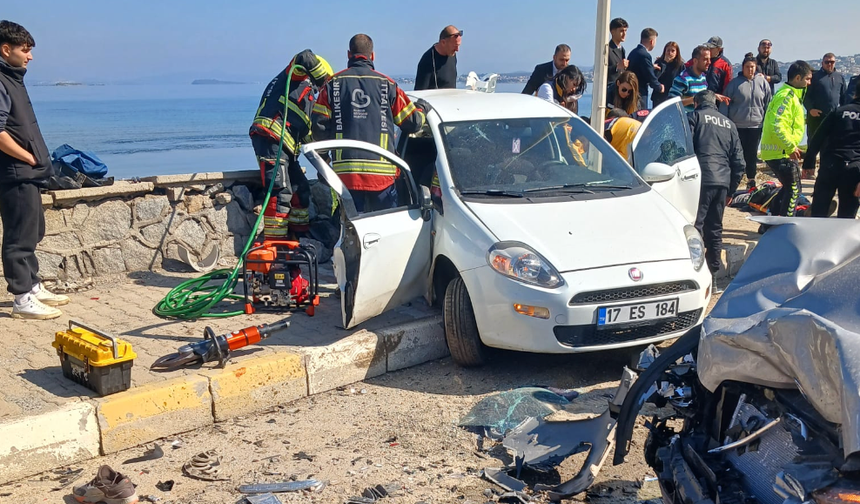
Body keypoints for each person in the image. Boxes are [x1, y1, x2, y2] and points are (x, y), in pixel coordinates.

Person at [0, 21, 70, 320]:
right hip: (15, 173)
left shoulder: (12, 78)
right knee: (19, 237)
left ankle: (33, 286)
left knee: (33, 230)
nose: (30, 57)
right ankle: (22, 298)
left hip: (27, 173)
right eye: (25, 51)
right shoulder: (1, 80)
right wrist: (28, 157)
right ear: (6, 49)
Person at [312, 34, 425, 213]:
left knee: (352, 232)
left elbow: (319, 127)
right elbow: (412, 123)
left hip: (346, 176)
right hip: (382, 178)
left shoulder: (331, 84)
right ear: (372, 56)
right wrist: (421, 110)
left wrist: (323, 159)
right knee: (386, 229)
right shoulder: (387, 84)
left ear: (349, 54)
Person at [250, 50, 332, 240]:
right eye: (321, 86)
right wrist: (324, 82)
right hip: (270, 137)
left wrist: (324, 163)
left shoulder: (308, 98)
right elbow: (304, 56)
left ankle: (298, 240)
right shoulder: (295, 77)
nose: (322, 93)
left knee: (301, 190)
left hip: (286, 147)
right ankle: (275, 245)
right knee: (280, 192)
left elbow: (309, 137)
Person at [688, 90, 745, 286]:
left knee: (695, 227)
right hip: (722, 181)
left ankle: (693, 273)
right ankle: (713, 275)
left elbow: (683, 149)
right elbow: (739, 162)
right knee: (715, 229)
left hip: (699, 180)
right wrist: (731, 189)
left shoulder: (694, 117)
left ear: (696, 103)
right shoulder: (729, 124)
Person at [760, 60, 813, 220]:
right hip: (780, 152)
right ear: (797, 78)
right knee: (794, 189)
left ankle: (770, 221)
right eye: (808, 79)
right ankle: (785, 223)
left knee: (787, 188)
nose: (809, 83)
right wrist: (790, 147)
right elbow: (777, 124)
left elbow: (790, 121)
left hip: (780, 151)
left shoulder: (792, 96)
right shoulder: (787, 96)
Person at [804, 84, 860, 218]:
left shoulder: (839, 111)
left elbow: (817, 137)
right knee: (847, 217)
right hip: (854, 169)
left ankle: (815, 237)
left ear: (855, 94)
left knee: (818, 212)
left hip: (831, 164)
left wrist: (809, 163)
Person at [723, 53, 772, 190]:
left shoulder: (762, 83)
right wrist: (726, 123)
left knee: (751, 154)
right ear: (743, 67)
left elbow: (768, 103)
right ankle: (734, 181)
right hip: (737, 125)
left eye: (752, 67)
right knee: (737, 155)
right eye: (747, 67)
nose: (750, 69)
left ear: (756, 68)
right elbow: (725, 104)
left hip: (756, 125)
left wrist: (767, 121)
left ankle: (751, 180)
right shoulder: (734, 84)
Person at [804, 53, 847, 140]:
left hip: (833, 117)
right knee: (813, 143)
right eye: (827, 62)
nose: (829, 64)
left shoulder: (840, 77)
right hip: (816, 117)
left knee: (831, 143)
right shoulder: (814, 77)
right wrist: (810, 109)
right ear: (822, 63)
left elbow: (844, 97)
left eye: (832, 62)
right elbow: (805, 95)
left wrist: (843, 112)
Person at [414, 25, 462, 91]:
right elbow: (419, 93)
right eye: (455, 46)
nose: (457, 50)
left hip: (451, 99)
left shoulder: (452, 54)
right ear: (443, 42)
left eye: (458, 46)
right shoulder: (427, 61)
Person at [628, 28, 662, 110]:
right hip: (640, 93)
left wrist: (651, 65)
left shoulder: (633, 52)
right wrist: (659, 87)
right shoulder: (645, 55)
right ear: (652, 41)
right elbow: (649, 76)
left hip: (630, 90)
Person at [670, 45, 710, 112]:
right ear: (695, 61)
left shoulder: (703, 77)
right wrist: (695, 99)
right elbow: (672, 103)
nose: (709, 62)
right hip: (686, 120)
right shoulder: (683, 79)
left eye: (709, 59)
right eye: (705, 59)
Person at [653, 41, 684, 107]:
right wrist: (664, 63)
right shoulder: (659, 62)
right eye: (668, 50)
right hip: (659, 97)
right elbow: (654, 78)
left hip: (673, 97)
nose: (670, 53)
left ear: (677, 53)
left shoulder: (680, 65)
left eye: (673, 51)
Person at [607, 18, 629, 85]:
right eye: (621, 31)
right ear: (612, 31)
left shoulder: (622, 50)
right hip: (610, 88)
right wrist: (617, 67)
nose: (624, 34)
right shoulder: (607, 49)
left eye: (625, 31)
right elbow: (601, 71)